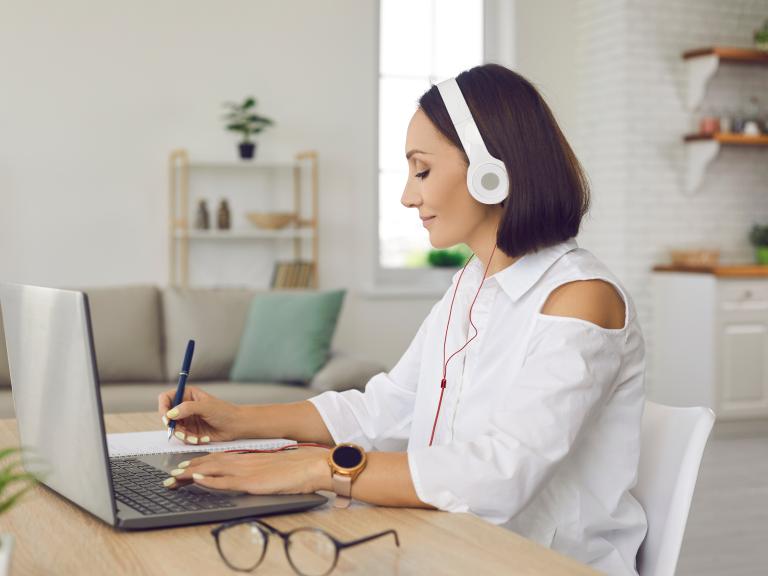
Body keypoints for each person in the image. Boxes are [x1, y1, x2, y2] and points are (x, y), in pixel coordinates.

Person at [158, 63, 647, 575]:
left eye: (422, 169)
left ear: (492, 169)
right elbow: (386, 408)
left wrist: (314, 468)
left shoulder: (582, 298)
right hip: (448, 544)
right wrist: (240, 421)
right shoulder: (471, 284)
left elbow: (500, 474)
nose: (408, 195)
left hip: (536, 562)